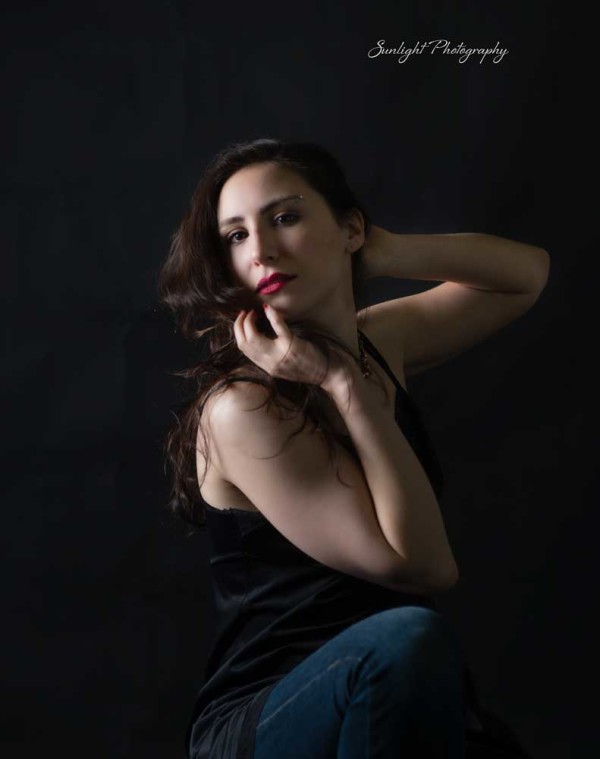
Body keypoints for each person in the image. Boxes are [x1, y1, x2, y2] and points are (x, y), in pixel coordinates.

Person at [157, 137, 548, 758]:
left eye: (285, 217)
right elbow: (425, 566)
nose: (261, 250)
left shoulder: (378, 341)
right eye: (235, 236)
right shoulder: (244, 408)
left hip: (392, 689)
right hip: (272, 716)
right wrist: (343, 386)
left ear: (349, 228)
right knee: (405, 641)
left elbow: (525, 275)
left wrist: (385, 250)